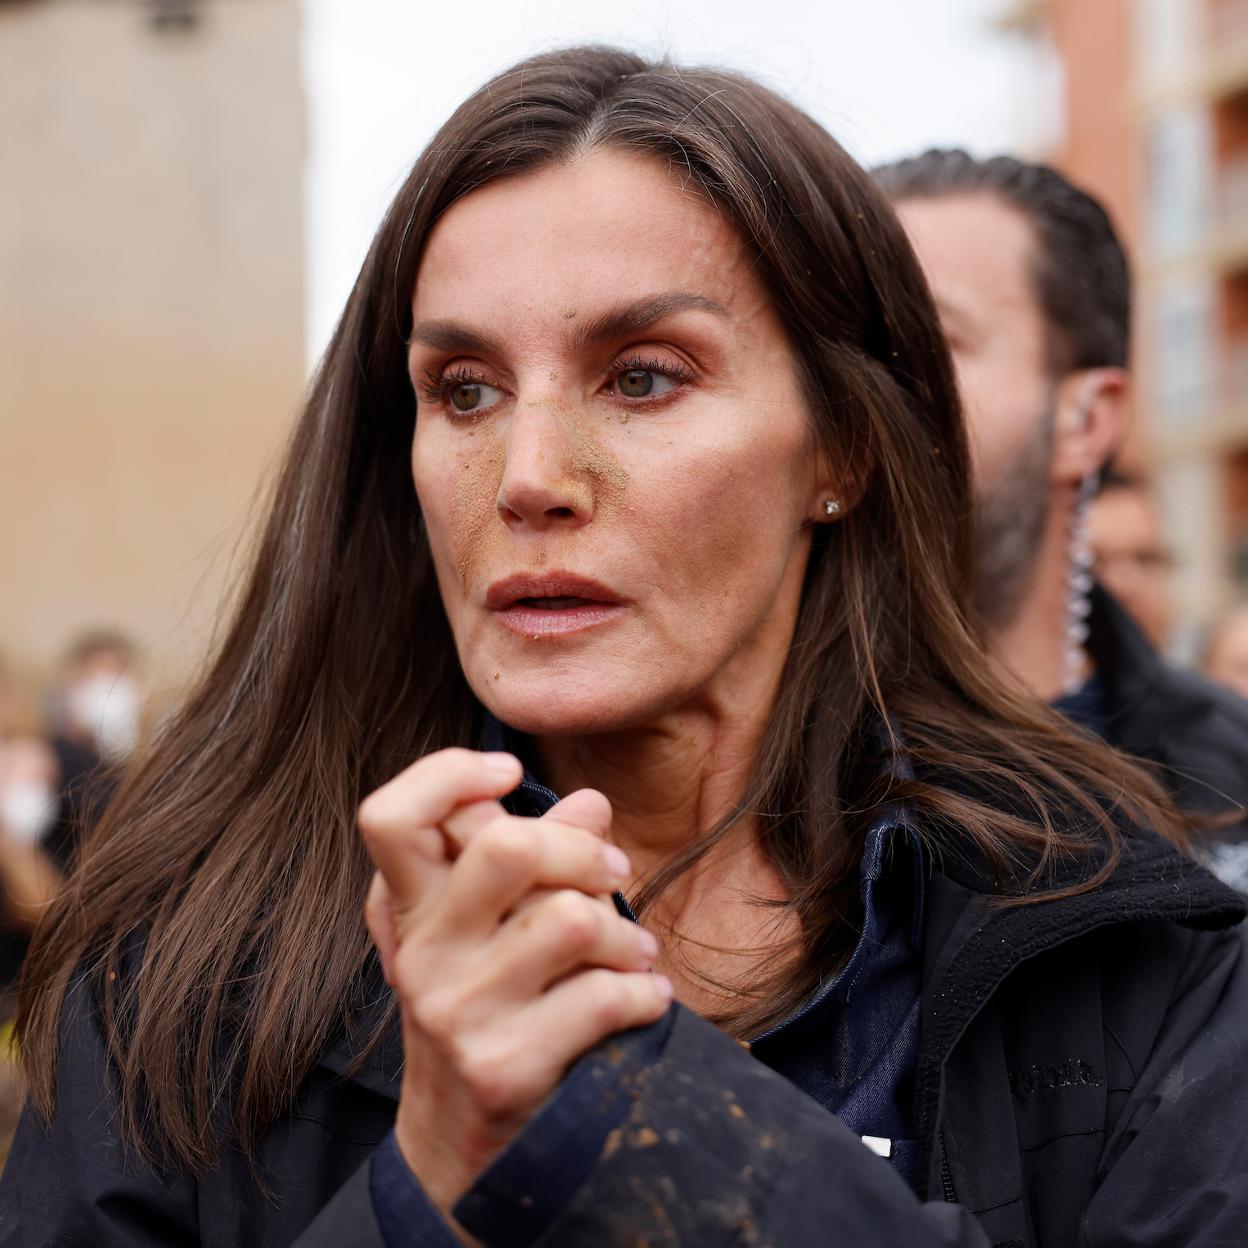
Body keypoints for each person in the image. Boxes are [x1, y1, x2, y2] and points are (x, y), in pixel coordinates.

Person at [3, 48, 1245, 1247]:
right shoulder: (176, 976)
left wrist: (627, 1113)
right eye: (465, 390)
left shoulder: (1130, 945)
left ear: (843, 449)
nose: (530, 478)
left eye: (643, 378)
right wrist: (424, 1196)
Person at [877, 150, 1248, 885]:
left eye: (933, 345)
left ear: (1086, 419)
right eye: (853, 347)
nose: (872, 390)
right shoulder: (735, 774)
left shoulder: (1226, 771)